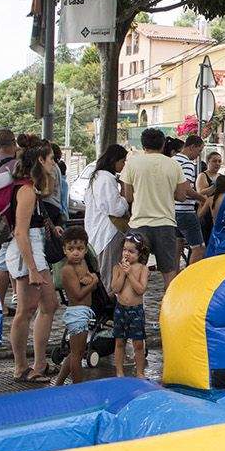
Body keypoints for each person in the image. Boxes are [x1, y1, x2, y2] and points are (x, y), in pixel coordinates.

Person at [1, 144, 60, 383]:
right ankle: (21, 367)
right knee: (26, 310)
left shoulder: (30, 189)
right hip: (28, 254)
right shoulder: (26, 191)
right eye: (51, 159)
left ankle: (39, 363)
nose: (53, 163)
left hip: (33, 252)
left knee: (49, 304)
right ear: (40, 161)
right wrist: (33, 269)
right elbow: (21, 232)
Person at [124, 127, 190, 286]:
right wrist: (167, 192)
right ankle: (171, 308)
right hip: (165, 224)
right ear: (163, 145)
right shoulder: (173, 165)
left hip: (138, 224)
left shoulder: (132, 163)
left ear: (143, 145)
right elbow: (182, 196)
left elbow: (128, 196)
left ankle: (132, 307)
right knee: (169, 271)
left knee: (133, 269)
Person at [54, 226, 100, 386]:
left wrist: (90, 279)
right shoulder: (67, 270)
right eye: (71, 249)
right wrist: (93, 282)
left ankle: (59, 382)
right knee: (76, 354)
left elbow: (87, 282)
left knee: (76, 352)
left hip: (83, 312)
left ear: (86, 250)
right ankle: (78, 386)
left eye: (79, 249)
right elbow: (78, 295)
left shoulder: (83, 265)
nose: (75, 252)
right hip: (76, 314)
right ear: (64, 250)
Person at [84, 144, 131, 282]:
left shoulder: (97, 177)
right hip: (108, 231)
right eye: (123, 161)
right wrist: (124, 200)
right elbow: (115, 208)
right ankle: (110, 300)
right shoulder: (106, 178)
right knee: (109, 271)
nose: (124, 165)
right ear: (114, 161)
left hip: (98, 228)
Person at [110, 233, 149, 378]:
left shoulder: (142, 269)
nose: (127, 254)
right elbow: (115, 288)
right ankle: (119, 372)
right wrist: (123, 273)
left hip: (136, 310)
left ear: (139, 254)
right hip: (121, 309)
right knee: (120, 341)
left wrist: (130, 274)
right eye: (125, 250)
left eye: (131, 251)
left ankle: (140, 372)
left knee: (138, 343)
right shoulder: (117, 268)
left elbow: (140, 290)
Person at [175, 134, 207, 266]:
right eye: (199, 151)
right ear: (192, 147)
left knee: (177, 247)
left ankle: (174, 277)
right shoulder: (187, 164)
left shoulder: (172, 160)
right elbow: (186, 189)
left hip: (171, 210)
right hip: (185, 211)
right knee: (199, 248)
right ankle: (190, 278)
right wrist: (202, 198)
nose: (198, 155)